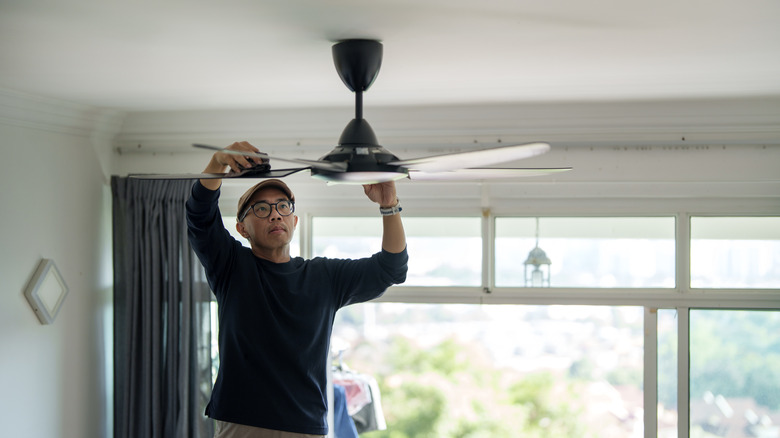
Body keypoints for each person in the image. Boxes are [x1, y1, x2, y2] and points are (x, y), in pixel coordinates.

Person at [185, 141, 408, 438]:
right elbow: (200, 216)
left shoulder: (324, 276)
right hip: (242, 423)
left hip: (305, 426)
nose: (275, 215)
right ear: (242, 228)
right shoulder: (231, 267)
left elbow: (391, 267)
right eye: (261, 209)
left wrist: (389, 204)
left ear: (294, 220)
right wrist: (217, 163)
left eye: (282, 207)